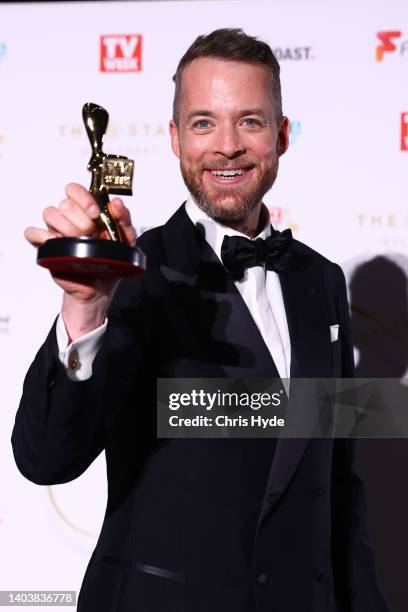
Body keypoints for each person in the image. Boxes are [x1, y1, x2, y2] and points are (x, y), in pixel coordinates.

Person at [12, 28, 389, 612]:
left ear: (282, 136)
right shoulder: (137, 273)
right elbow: (46, 458)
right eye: (204, 122)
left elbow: (334, 480)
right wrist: (86, 306)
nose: (227, 146)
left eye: (251, 122)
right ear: (174, 138)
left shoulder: (321, 281)